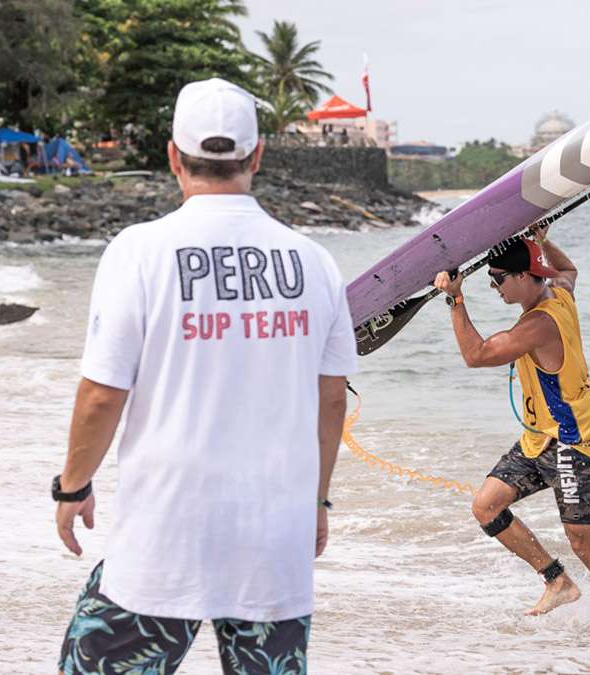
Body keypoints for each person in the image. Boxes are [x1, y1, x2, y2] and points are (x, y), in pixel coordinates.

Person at [53, 77, 358, 674]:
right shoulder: (314, 261)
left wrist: (73, 485)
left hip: (163, 538)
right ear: (258, 155)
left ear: (173, 155)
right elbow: (330, 401)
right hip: (273, 538)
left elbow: (100, 396)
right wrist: (317, 500)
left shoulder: (139, 251)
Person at [433, 229, 590, 633]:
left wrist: (456, 299)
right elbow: (566, 269)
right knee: (486, 506)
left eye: (498, 278)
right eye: (490, 278)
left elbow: (476, 356)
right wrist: (541, 240)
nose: (494, 286)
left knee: (585, 542)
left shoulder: (540, 324)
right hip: (539, 436)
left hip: (571, 438)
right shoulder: (558, 291)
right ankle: (557, 581)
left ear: (525, 276)